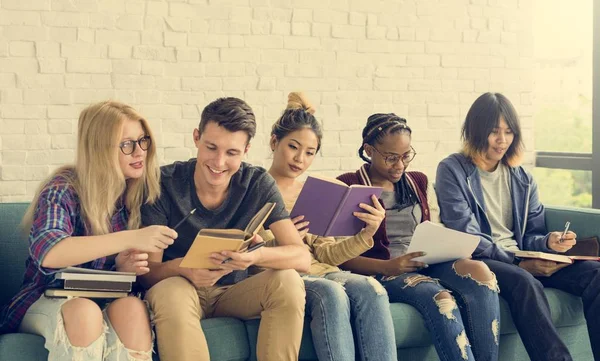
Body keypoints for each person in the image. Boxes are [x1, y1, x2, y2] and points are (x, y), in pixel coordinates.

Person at [0, 101, 176, 360]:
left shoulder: (136, 195)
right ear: (99, 149)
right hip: (45, 299)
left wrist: (123, 267)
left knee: (133, 309)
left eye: (143, 140)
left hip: (105, 299)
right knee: (84, 311)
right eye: (127, 144)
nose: (139, 152)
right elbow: (49, 253)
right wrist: (129, 238)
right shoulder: (63, 189)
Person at [140, 97, 310, 361]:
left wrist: (255, 257)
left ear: (246, 150)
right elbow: (148, 272)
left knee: (288, 281)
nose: (219, 162)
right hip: (180, 287)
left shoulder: (257, 183)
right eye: (211, 147)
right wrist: (184, 268)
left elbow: (302, 258)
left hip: (234, 292)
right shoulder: (164, 183)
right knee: (169, 292)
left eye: (232, 153)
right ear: (196, 138)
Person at [436, 92, 600, 361]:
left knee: (596, 273)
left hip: (521, 256)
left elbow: (531, 234)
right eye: (494, 131)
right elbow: (466, 234)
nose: (502, 140)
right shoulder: (452, 170)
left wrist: (548, 243)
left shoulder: (522, 177)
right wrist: (517, 262)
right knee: (525, 281)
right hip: (484, 259)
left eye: (509, 132)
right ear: (476, 131)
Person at [337, 113, 501, 361]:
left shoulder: (418, 181)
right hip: (383, 270)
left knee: (481, 272)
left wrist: (452, 247)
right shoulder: (348, 186)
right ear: (369, 150)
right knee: (440, 298)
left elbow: (434, 228)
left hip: (427, 262)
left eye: (406, 156)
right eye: (391, 158)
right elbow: (342, 258)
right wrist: (389, 265)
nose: (400, 165)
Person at [262, 92, 398, 361]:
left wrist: (367, 233)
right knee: (333, 295)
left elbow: (327, 255)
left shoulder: (313, 193)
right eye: (293, 147)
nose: (300, 158)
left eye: (309, 152)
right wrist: (286, 239)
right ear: (274, 142)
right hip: (287, 278)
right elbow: (248, 253)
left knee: (373, 288)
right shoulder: (255, 190)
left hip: (325, 272)